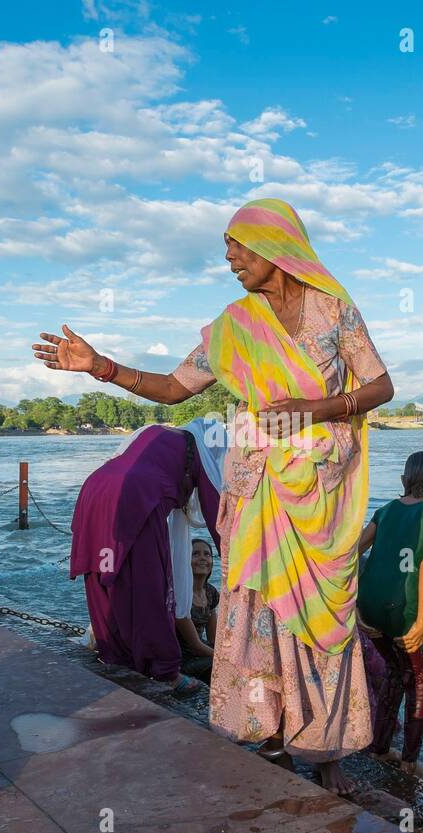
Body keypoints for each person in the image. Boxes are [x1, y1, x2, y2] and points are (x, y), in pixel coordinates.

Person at [35, 198, 394, 795]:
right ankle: (273, 736)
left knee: (321, 618)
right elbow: (174, 388)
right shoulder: (235, 326)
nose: (228, 258)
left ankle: (326, 754)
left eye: (236, 245)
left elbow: (381, 385)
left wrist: (317, 409)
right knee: (261, 610)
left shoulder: (336, 311)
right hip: (259, 490)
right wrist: (101, 366)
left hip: (318, 491)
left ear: (273, 246)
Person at [69, 418, 226, 694]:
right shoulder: (201, 453)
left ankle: (113, 656)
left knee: (102, 573)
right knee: (151, 587)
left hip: (95, 488)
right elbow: (219, 519)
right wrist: (238, 565)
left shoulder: (154, 433)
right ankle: (166, 673)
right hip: (136, 495)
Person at [357, 451, 423, 781]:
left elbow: (353, 551)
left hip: (369, 606)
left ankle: (380, 749)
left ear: (403, 480)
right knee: (422, 682)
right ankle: (410, 763)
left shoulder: (384, 511)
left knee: (397, 673)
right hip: (404, 610)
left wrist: (356, 605)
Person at [178, 537, 219, 681]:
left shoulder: (211, 592)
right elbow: (195, 645)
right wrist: (224, 659)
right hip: (183, 661)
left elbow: (213, 639)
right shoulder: (180, 594)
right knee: (221, 665)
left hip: (203, 654)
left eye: (207, 554)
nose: (202, 558)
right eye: (195, 554)